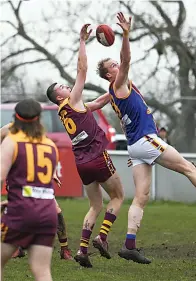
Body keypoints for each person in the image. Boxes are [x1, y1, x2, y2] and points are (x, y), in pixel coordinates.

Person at [95, 12, 196, 264]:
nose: (117, 65)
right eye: (112, 66)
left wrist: (74, 105)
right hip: (146, 140)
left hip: (136, 147)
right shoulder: (119, 83)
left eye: (115, 64)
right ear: (108, 75)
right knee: (189, 169)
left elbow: (94, 104)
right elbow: (126, 58)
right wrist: (125, 34)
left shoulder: (111, 92)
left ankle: (129, 244)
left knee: (141, 196)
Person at [46, 24, 124, 268]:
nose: (66, 86)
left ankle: (81, 250)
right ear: (59, 96)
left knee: (95, 204)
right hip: (98, 157)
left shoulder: (68, 109)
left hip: (81, 163)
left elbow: (99, 102)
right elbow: (82, 69)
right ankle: (102, 237)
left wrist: (117, 86)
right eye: (61, 87)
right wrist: (82, 41)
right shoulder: (72, 99)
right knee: (118, 196)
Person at [1, 98, 59, 281]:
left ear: (15, 118)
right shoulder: (50, 145)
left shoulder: (12, 141)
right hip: (47, 213)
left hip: (21, 212)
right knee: (41, 270)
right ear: (39, 119)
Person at [1, 123, 73, 260]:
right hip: (18, 179)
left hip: (37, 179)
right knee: (19, 212)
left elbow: (45, 153)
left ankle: (65, 249)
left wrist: (52, 172)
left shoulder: (38, 131)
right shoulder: (6, 131)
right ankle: (16, 246)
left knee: (56, 211)